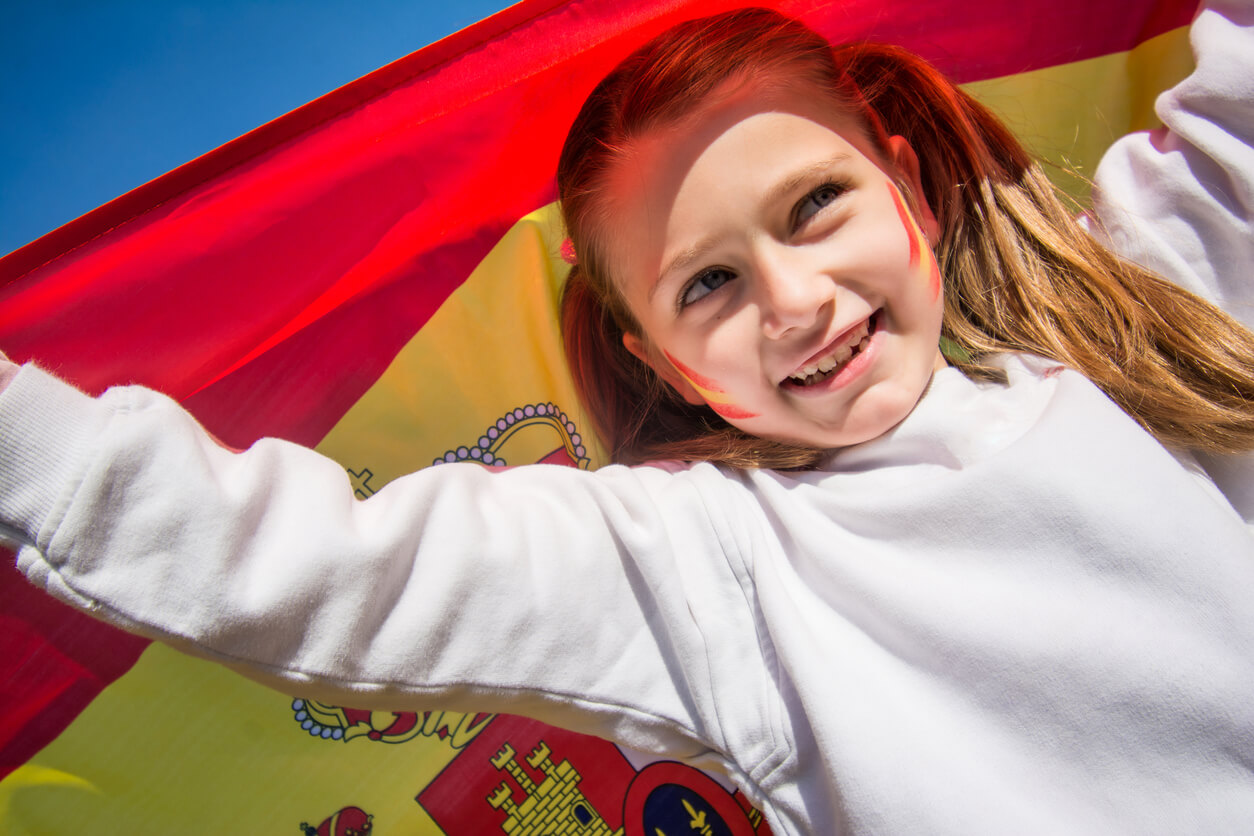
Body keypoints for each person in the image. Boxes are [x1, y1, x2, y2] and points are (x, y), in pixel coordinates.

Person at [2, 3, 1253, 834]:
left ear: (906, 179)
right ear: (666, 360)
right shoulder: (708, 567)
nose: (794, 300)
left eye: (816, 203)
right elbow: (316, 566)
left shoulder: (1134, 315)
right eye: (708, 283)